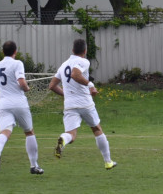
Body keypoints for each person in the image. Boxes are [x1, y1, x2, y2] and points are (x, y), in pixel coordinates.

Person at [48, 39, 117, 170]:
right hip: (85, 103)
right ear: (85, 51)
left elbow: (52, 86)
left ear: (72, 50)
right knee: (97, 129)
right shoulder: (84, 61)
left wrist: (66, 95)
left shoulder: (63, 65)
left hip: (70, 105)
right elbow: (75, 74)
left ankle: (63, 139)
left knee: (71, 135)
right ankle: (108, 162)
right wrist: (90, 85)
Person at [0, 41, 44, 174]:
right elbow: (21, 82)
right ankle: (34, 165)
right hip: (19, 102)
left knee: (5, 132)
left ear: (3, 52)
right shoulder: (17, 63)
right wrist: (27, 87)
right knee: (29, 132)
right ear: (15, 51)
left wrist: (6, 88)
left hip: (3, 104)